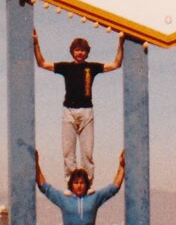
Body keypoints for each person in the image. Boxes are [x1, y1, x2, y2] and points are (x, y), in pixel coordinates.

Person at [33, 29, 124, 183]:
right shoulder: (66, 67)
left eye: (83, 50)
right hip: (68, 112)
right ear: (72, 52)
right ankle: (71, 183)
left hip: (87, 112)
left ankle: (87, 182)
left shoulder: (92, 68)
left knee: (87, 152)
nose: (80, 53)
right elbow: (42, 63)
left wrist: (120, 43)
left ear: (87, 53)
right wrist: (36, 43)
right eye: (77, 50)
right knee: (68, 152)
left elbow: (116, 64)